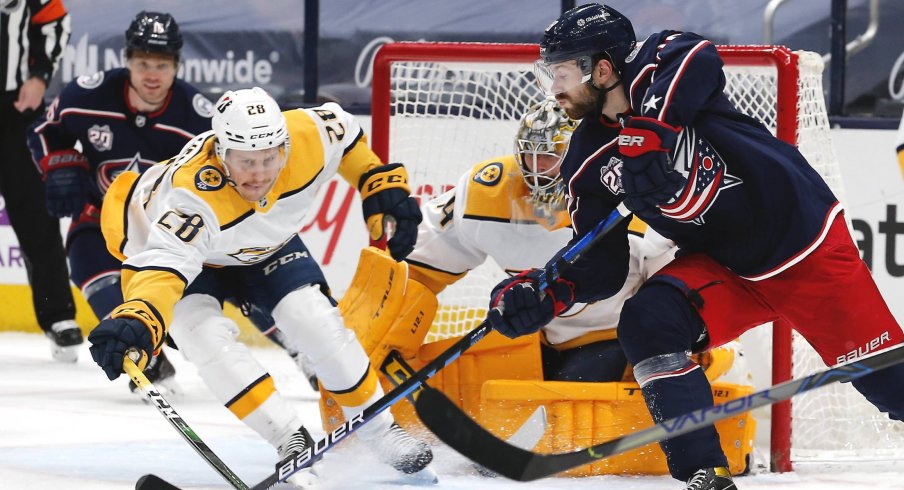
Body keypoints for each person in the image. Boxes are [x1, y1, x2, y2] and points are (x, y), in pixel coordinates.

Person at [487, 4, 904, 490]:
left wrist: (650, 137)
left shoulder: (658, 65)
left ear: (602, 68)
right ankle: (705, 471)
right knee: (648, 322)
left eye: (561, 73)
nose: (554, 88)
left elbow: (698, 58)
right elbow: (600, 265)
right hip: (725, 268)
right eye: (548, 76)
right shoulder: (586, 157)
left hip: (803, 246)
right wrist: (547, 294)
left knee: (888, 385)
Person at [87, 87, 433, 482]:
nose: (260, 173)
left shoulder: (305, 136)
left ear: (284, 145)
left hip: (263, 244)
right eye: (247, 161)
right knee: (202, 337)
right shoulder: (192, 196)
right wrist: (140, 316)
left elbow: (347, 135)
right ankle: (289, 438)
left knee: (313, 318)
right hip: (181, 254)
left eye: (270, 158)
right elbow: (165, 268)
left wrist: (375, 181)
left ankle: (378, 428)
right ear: (221, 152)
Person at [405, 97, 675, 382]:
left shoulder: (634, 193)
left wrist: (676, 349)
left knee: (569, 403)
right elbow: (417, 267)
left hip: (617, 340)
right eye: (529, 154)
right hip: (538, 339)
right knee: (470, 387)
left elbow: (674, 289)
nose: (536, 168)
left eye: (550, 155)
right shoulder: (487, 191)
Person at [27, 10, 204, 391]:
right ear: (127, 61)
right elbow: (42, 128)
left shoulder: (196, 117)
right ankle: (148, 363)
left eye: (161, 64)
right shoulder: (87, 95)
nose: (151, 74)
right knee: (96, 282)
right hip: (96, 223)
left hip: (166, 237)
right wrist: (55, 163)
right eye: (142, 63)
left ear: (176, 65)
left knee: (191, 324)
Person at [1, 0, 79, 362]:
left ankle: (57, 315)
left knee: (36, 214)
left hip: (14, 107)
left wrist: (39, 76)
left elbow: (54, 20)